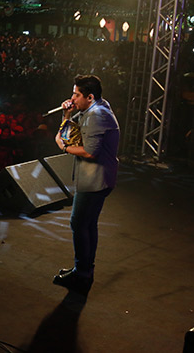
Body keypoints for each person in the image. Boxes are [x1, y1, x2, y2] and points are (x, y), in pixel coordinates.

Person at [52, 74, 119, 296]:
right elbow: (71, 133)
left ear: (90, 96)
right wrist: (67, 115)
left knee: (79, 224)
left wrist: (64, 148)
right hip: (97, 178)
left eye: (76, 94)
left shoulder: (97, 115)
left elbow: (89, 151)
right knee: (88, 225)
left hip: (95, 180)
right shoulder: (96, 108)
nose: (72, 98)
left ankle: (82, 275)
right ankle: (84, 270)